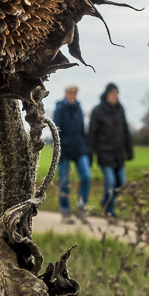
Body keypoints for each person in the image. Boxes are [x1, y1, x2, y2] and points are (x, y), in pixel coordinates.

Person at [86, 82, 133, 218]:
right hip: (104, 152)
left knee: (121, 183)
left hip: (118, 153)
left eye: (117, 94)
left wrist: (129, 150)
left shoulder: (120, 109)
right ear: (106, 95)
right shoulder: (98, 111)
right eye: (113, 94)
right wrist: (91, 152)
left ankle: (104, 200)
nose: (115, 97)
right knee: (110, 182)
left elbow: (125, 130)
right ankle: (109, 210)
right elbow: (92, 133)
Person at [50, 85, 90, 222]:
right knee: (64, 182)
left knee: (86, 177)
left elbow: (82, 130)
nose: (73, 95)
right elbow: (56, 130)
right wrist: (59, 149)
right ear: (66, 93)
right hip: (64, 150)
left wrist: (86, 147)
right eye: (70, 93)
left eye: (75, 93)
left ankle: (81, 207)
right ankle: (65, 211)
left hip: (79, 149)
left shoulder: (79, 108)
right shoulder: (60, 109)